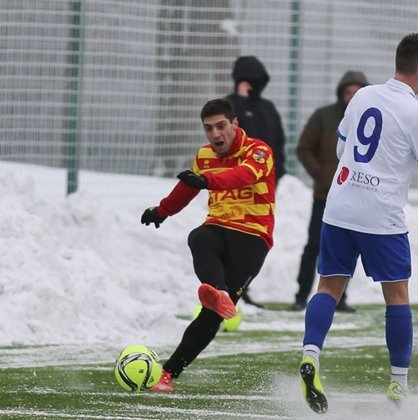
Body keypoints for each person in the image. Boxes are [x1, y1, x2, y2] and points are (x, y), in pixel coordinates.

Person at [298, 33, 418, 414]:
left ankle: (311, 355)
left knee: (328, 287)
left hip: (339, 207)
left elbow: (341, 150)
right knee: (398, 297)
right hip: (381, 216)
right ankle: (398, 384)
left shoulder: (363, 96)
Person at [141, 98, 275, 392]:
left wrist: (205, 181)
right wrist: (161, 211)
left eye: (221, 126)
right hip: (217, 227)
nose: (215, 134)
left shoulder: (259, 150)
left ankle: (170, 371)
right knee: (198, 236)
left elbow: (242, 176)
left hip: (253, 236)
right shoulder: (204, 155)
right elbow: (189, 186)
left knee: (210, 317)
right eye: (208, 128)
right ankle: (219, 292)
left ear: (235, 124)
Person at [291, 71, 369, 313]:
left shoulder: (370, 119)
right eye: (348, 91)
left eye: (357, 92)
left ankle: (340, 298)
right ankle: (301, 295)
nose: (352, 96)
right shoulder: (323, 117)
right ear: (341, 93)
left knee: (346, 249)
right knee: (314, 245)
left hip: (354, 196)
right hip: (324, 196)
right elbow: (304, 148)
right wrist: (321, 173)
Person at [225, 55, 286, 308]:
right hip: (235, 187)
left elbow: (278, 144)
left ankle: (240, 288)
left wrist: (277, 175)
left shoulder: (268, 108)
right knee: (231, 236)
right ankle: (227, 291)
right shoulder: (228, 106)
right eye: (249, 80)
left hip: (264, 189)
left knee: (254, 239)